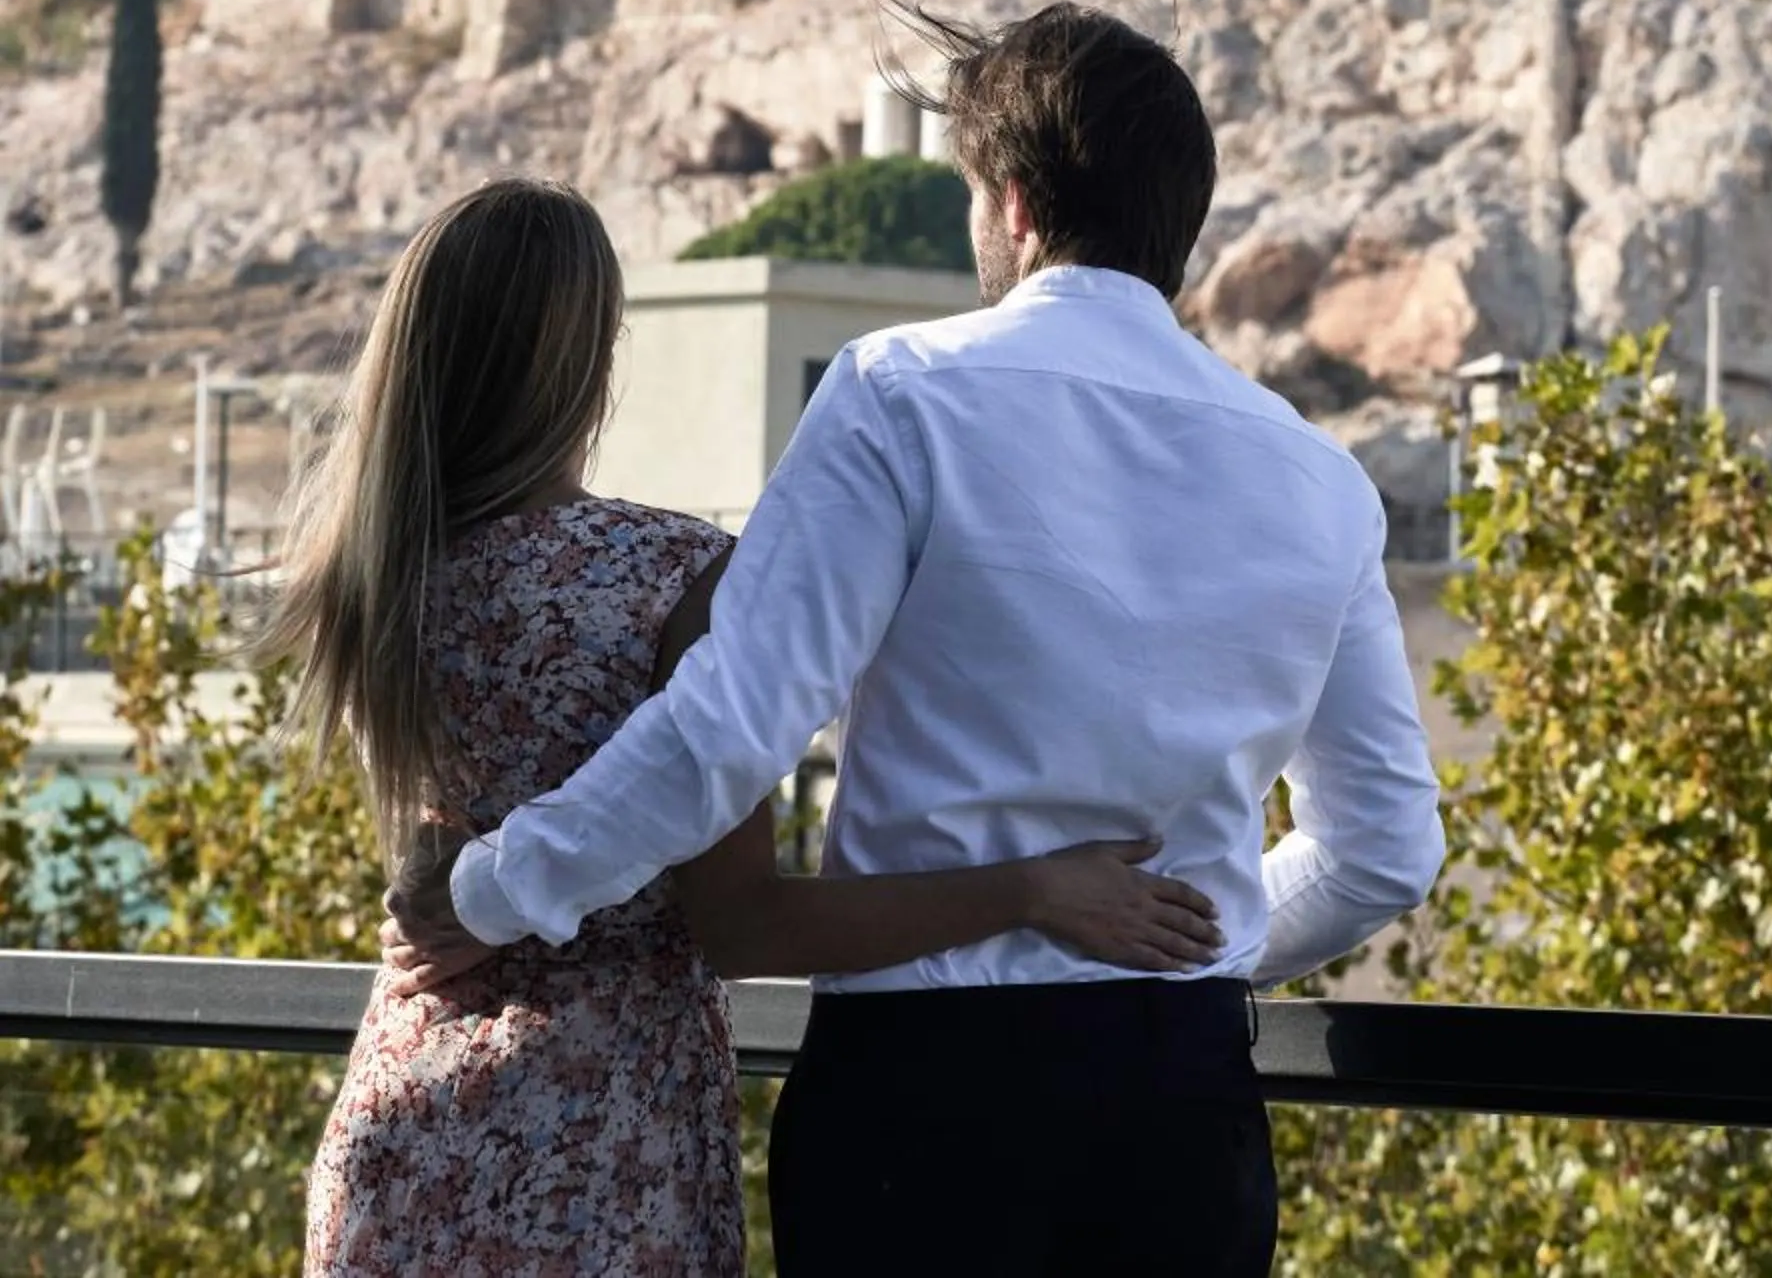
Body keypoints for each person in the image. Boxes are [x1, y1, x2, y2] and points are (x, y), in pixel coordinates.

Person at [391, 6, 1445, 1278]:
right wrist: (1198, 939)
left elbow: (731, 725)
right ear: (1184, 225)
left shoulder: (902, 392)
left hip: (928, 1108)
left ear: (1009, 205)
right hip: (1183, 1110)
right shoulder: (1320, 477)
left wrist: (496, 891)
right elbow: (1382, 853)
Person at [268, 174, 1223, 1278]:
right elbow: (748, 927)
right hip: (601, 1141)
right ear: (592, 360)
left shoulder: (371, 577)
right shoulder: (671, 575)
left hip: (403, 1108)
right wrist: (1031, 889)